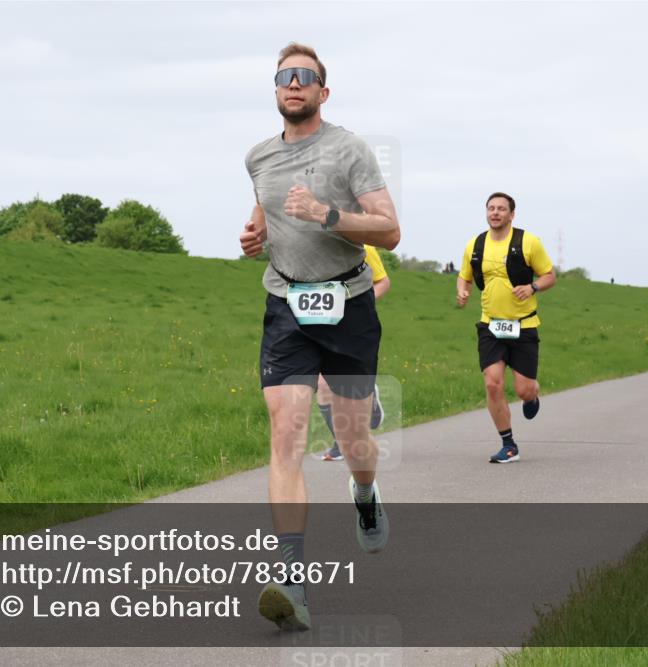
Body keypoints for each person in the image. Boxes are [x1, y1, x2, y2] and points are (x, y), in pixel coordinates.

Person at [238, 44, 400, 631]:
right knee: (287, 433)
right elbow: (263, 216)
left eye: (305, 77)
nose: (294, 83)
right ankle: (292, 581)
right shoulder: (258, 157)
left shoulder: (348, 149)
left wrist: (328, 214)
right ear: (276, 89)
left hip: (349, 302)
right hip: (286, 304)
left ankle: (364, 493)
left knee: (354, 439)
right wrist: (254, 237)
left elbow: (390, 229)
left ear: (323, 92)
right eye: (284, 76)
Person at [456, 192, 556, 463]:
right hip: (491, 325)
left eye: (501, 209)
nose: (495, 213)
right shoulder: (475, 245)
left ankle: (531, 397)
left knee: (524, 389)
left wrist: (533, 286)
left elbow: (549, 275)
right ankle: (508, 444)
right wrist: (463, 292)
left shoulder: (528, 242)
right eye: (491, 208)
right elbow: (463, 277)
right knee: (492, 383)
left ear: (512, 214)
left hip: (523, 326)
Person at [320, 245, 389, 462]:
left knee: (347, 386)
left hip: (352, 325)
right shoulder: (307, 245)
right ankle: (340, 443)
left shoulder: (361, 244)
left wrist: (359, 302)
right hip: (317, 325)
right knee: (321, 385)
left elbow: (383, 282)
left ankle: (370, 400)